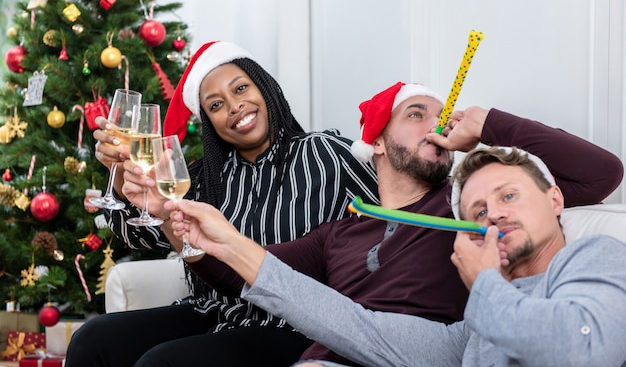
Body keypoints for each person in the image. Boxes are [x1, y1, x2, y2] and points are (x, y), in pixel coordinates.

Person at [165, 82, 624, 366]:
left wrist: (488, 125)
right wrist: (187, 229)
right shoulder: (342, 227)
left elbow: (599, 174)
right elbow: (256, 277)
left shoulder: (458, 209)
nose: (437, 123)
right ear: (378, 141)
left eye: (505, 197)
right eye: (416, 114)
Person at [66, 41, 380, 367]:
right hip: (216, 311)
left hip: (294, 324)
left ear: (266, 87)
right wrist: (119, 178)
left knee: (163, 361)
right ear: (209, 122)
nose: (234, 106)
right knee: (93, 338)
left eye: (241, 88)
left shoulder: (325, 153)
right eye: (216, 105)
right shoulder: (207, 179)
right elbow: (140, 236)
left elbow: (396, 212)